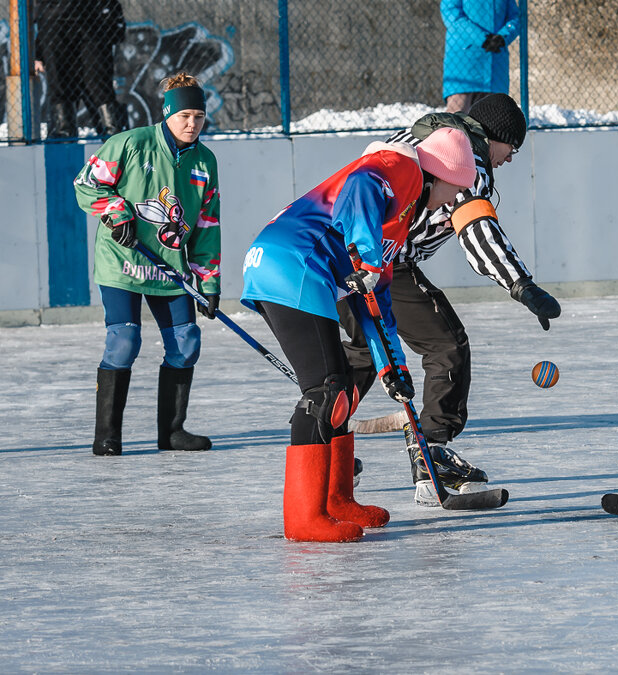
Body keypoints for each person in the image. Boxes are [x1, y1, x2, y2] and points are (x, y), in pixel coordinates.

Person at [240, 127, 477, 543]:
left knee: (343, 388)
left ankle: (336, 501)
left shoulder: (401, 218)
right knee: (325, 392)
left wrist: (392, 367)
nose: (452, 204)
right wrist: (367, 258)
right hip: (293, 262)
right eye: (456, 191)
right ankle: (304, 517)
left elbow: (377, 300)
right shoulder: (401, 167)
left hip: (299, 268)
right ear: (441, 177)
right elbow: (361, 184)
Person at [339, 93, 561, 507]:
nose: (510, 158)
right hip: (382, 262)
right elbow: (477, 230)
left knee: (364, 355)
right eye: (512, 146)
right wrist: (521, 285)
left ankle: (326, 443)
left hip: (339, 252)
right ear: (494, 137)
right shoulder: (464, 158)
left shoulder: (425, 133)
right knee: (446, 345)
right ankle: (433, 453)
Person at [73, 72, 220, 456]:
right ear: (167, 113)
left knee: (186, 343)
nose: (192, 124)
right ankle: (107, 435)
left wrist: (209, 282)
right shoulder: (129, 144)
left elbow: (206, 223)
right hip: (122, 260)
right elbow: (87, 185)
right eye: (185, 115)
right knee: (124, 341)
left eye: (199, 117)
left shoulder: (205, 162)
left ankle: (172, 432)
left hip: (168, 267)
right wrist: (115, 211)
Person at [35, 0, 127, 138]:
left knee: (98, 85)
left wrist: (114, 23)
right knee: (60, 86)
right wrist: (40, 51)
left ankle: (113, 137)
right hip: (55, 21)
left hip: (93, 22)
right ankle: (63, 139)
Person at [441, 0, 520, 114]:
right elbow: (451, 14)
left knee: (493, 119)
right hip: (464, 63)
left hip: (495, 66)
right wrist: (483, 39)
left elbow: (515, 17)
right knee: (457, 116)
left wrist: (503, 37)